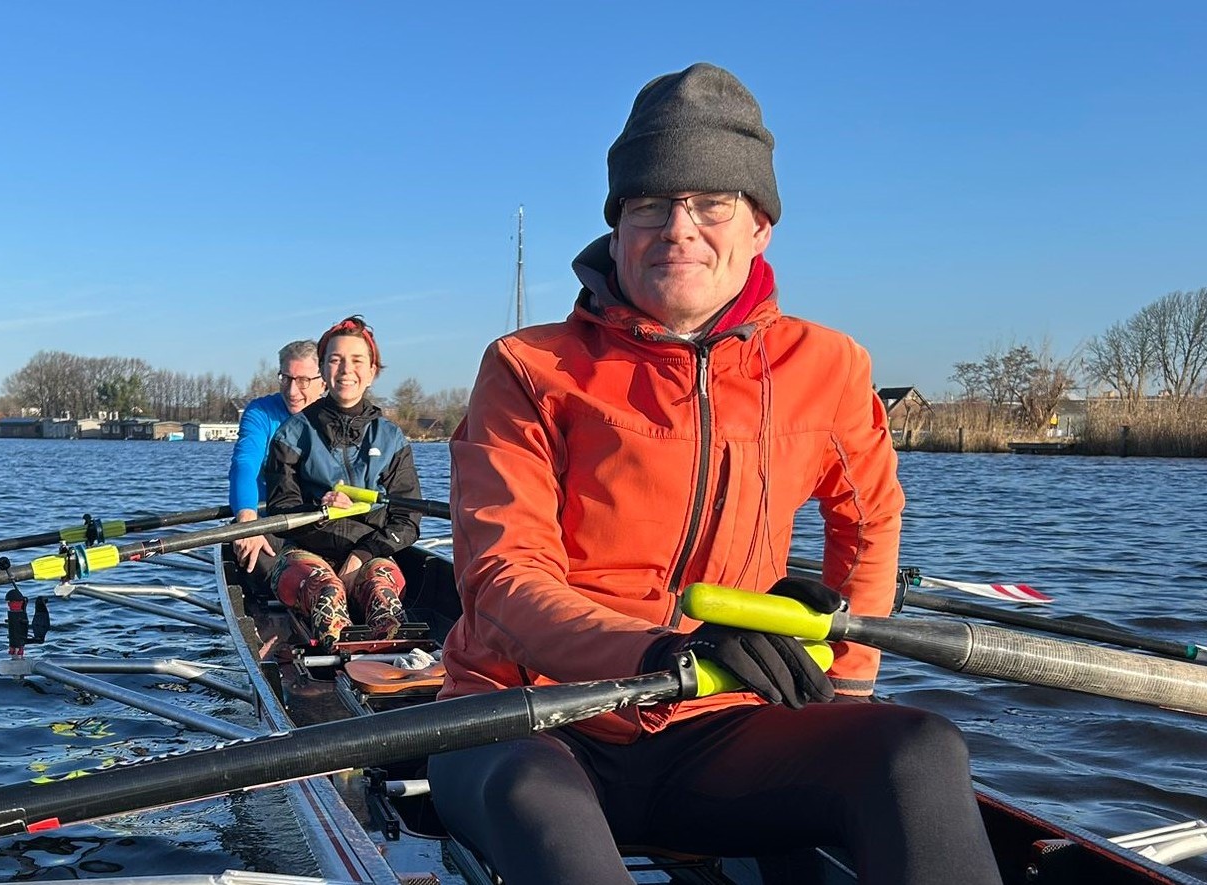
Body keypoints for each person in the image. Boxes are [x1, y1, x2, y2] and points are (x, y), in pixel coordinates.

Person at [428, 64, 1003, 884]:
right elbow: (503, 577)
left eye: (710, 203)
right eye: (650, 203)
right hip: (532, 725)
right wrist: (663, 649)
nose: (678, 228)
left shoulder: (831, 366)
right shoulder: (526, 367)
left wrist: (844, 682)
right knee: (535, 798)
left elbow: (870, 520)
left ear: (760, 225)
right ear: (618, 227)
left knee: (919, 749)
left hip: (716, 725)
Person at [264, 316, 421, 651]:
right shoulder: (293, 434)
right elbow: (280, 510)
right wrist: (320, 512)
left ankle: (398, 666)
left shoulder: (391, 439)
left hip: (371, 555)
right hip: (306, 553)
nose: (346, 369)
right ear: (323, 369)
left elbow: (407, 521)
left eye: (357, 360)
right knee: (329, 592)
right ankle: (342, 665)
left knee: (382, 594)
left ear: (372, 371)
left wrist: (362, 555)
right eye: (335, 360)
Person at [228, 339, 326, 580]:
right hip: (271, 524)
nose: (292, 391)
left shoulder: (336, 418)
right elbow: (244, 465)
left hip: (322, 525)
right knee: (254, 552)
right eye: (286, 378)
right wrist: (248, 523)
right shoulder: (261, 413)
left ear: (323, 381)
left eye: (303, 381)